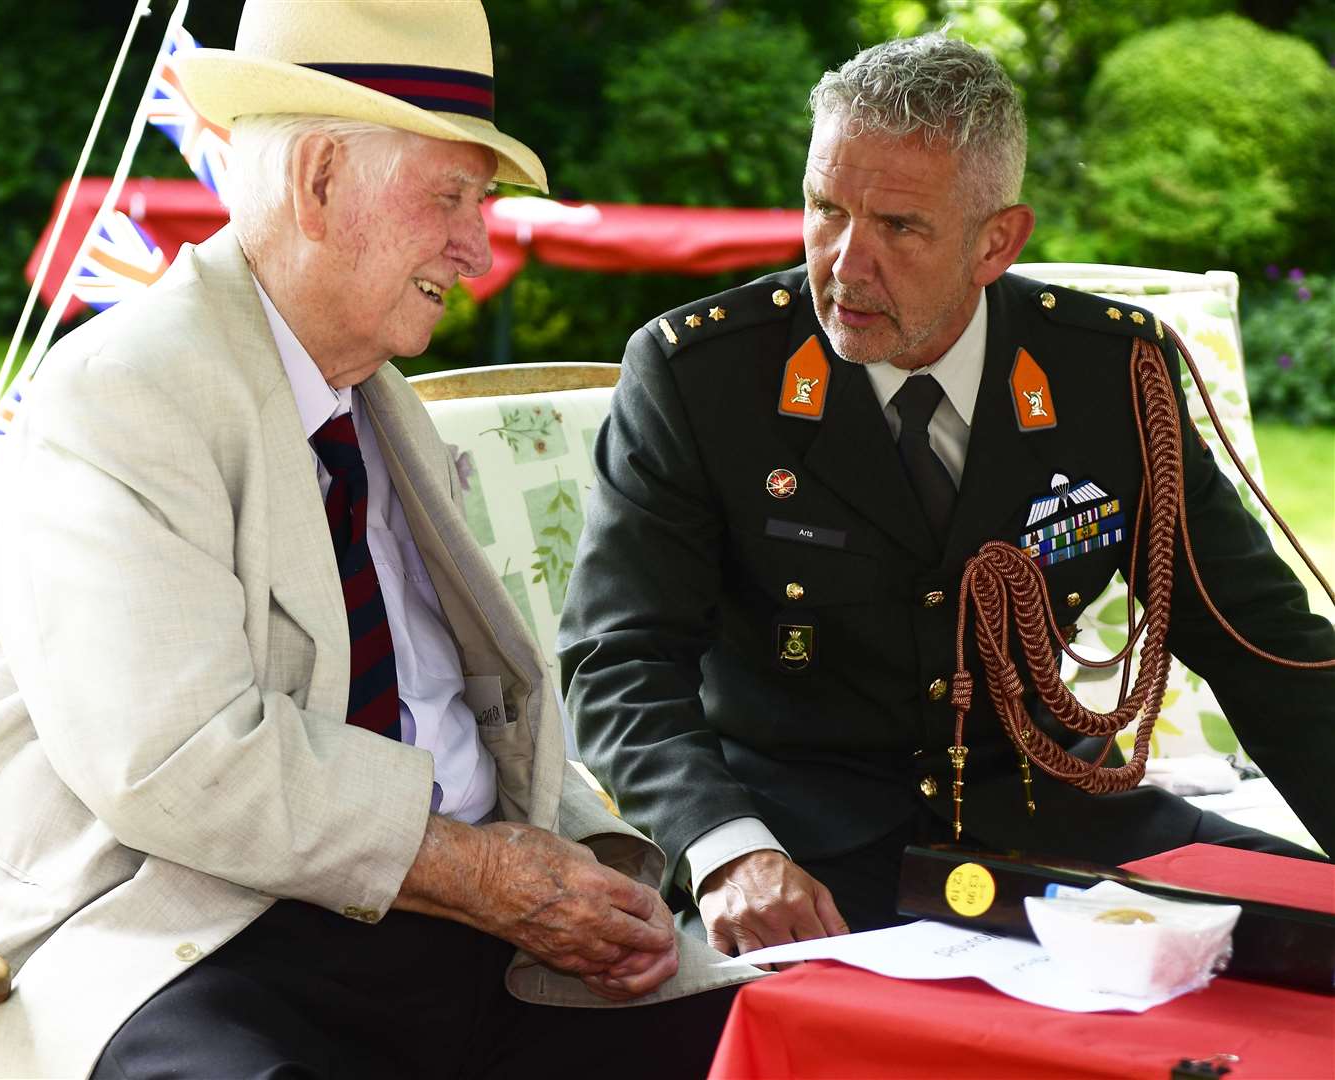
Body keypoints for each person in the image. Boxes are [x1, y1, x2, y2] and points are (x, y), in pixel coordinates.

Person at [0, 3, 751, 1078]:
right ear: (322, 179)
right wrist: (486, 875)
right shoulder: (123, 391)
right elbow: (174, 760)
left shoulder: (375, 399)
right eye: (453, 197)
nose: (478, 244)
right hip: (173, 928)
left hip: (429, 929)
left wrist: (587, 874)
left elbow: (459, 712)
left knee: (761, 1045)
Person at [559, 32, 1335, 962]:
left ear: (996, 241)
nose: (845, 264)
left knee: (1307, 947)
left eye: (899, 226)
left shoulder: (1110, 374)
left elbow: (1264, 643)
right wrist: (724, 852)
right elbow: (620, 659)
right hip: (802, 858)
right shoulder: (703, 375)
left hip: (1058, 828)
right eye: (824, 210)